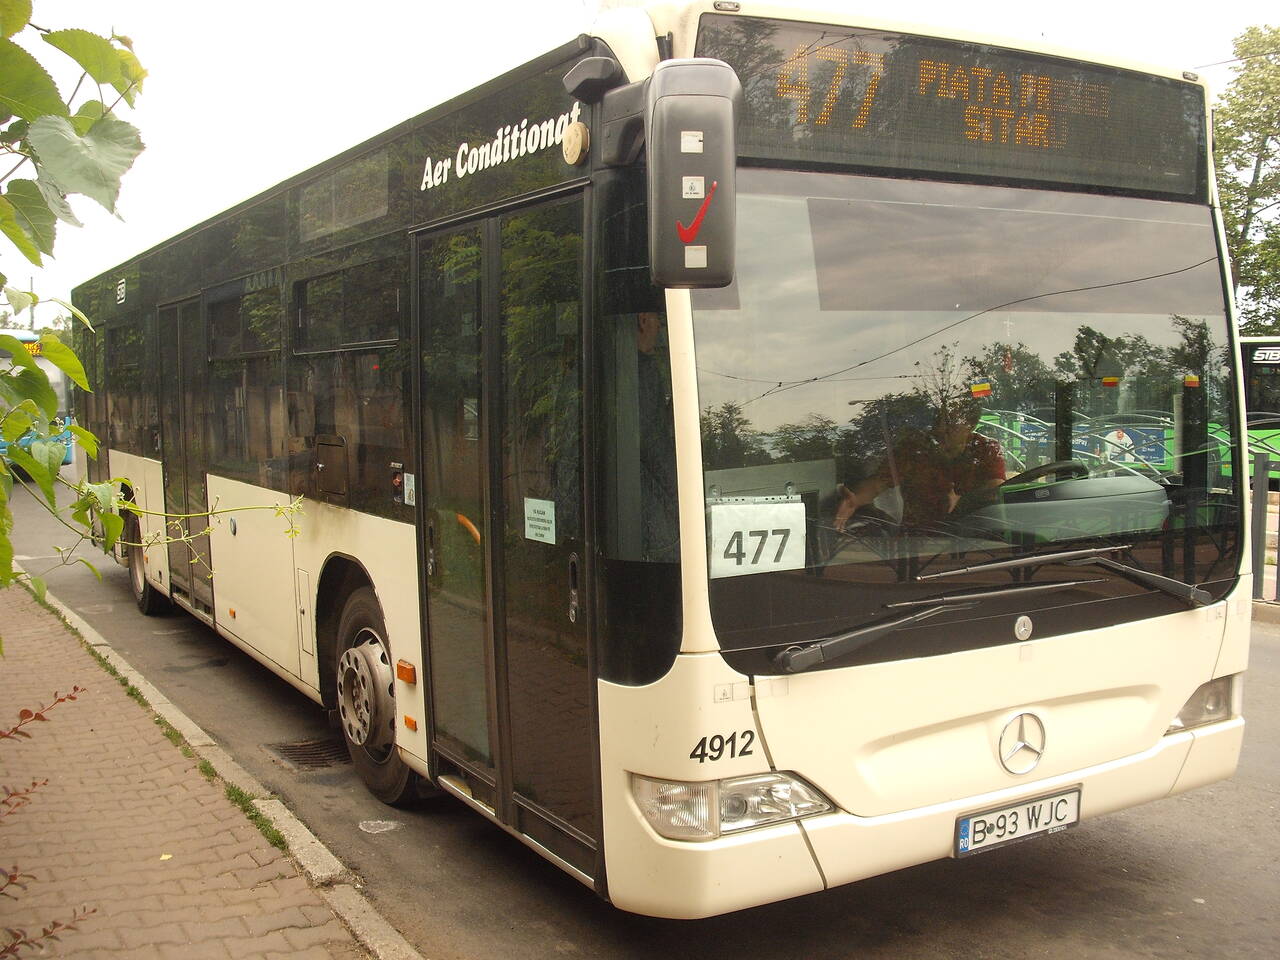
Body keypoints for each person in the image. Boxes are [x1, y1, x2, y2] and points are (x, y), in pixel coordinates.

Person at [835, 394, 1004, 531]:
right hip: (917, 541)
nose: (940, 429)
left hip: (975, 540)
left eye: (950, 424)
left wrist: (963, 500)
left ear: (970, 425)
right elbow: (877, 484)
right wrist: (855, 500)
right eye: (938, 422)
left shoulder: (986, 449)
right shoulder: (913, 450)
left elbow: (996, 491)